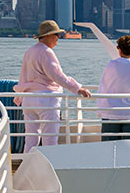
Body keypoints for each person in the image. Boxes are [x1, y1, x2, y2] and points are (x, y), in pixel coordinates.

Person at [15, 20, 91, 153]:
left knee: (31, 140)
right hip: (46, 100)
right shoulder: (47, 52)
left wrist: (20, 96)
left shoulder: (29, 51)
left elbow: (23, 76)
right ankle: (49, 170)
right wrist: (77, 88)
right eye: (56, 34)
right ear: (47, 36)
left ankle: (27, 168)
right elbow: (57, 76)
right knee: (50, 140)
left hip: (28, 99)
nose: (58, 38)